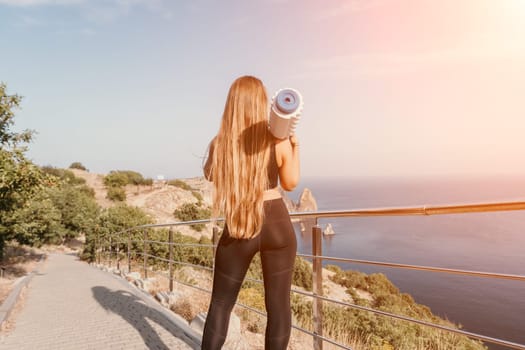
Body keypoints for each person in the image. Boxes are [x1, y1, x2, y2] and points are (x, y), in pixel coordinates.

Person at [201, 75, 300, 350]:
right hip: (277, 224)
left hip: (240, 224)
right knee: (278, 307)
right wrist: (295, 146)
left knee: (221, 303)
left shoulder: (220, 144)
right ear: (261, 105)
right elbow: (290, 183)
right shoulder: (277, 141)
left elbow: (209, 174)